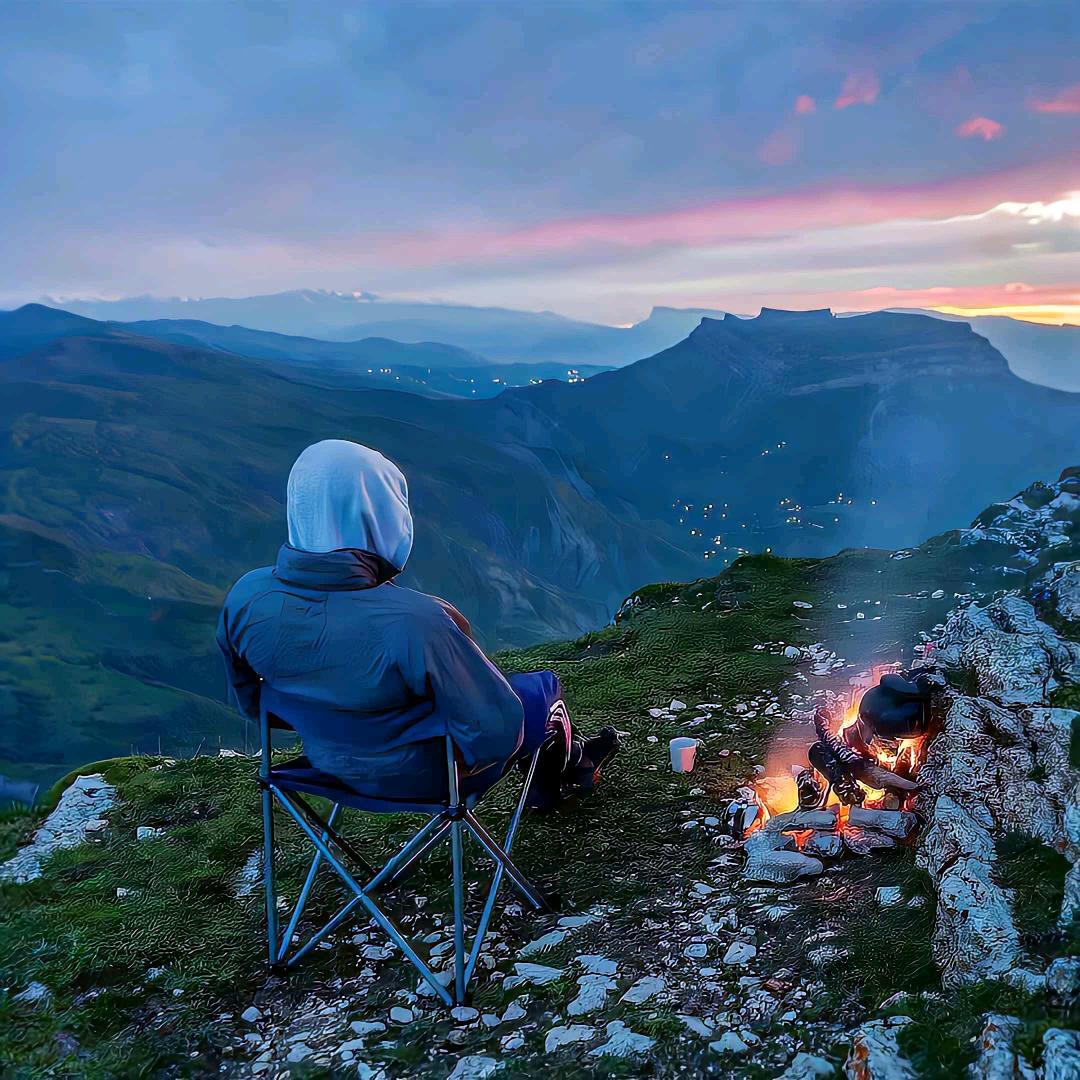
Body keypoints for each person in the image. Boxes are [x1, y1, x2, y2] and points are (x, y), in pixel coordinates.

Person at [217, 439, 618, 809]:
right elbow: (497, 735)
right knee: (541, 690)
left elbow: (256, 704)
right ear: (378, 514)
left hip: (325, 766)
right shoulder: (417, 620)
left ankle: (573, 763)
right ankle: (565, 769)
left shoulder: (246, 597)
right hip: (427, 776)